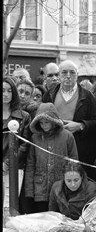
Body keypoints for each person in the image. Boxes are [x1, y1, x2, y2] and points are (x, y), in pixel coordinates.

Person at [42, 60, 96, 183]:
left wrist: (80, 125)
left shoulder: (87, 97)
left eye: (72, 73)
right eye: (64, 72)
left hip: (80, 149)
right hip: (54, 147)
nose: (68, 76)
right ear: (59, 75)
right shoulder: (49, 94)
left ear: (77, 75)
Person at [25, 103, 78, 213]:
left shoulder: (67, 136)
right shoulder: (35, 138)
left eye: (47, 122)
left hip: (61, 187)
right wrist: (29, 191)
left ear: (54, 121)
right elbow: (30, 165)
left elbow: (74, 162)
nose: (44, 125)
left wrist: (72, 186)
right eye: (41, 122)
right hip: (40, 189)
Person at [2, 77, 31, 211]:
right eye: (3, 90)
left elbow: (24, 145)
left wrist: (8, 163)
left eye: (9, 91)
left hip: (14, 166)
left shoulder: (24, 116)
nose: (6, 94)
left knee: (9, 206)